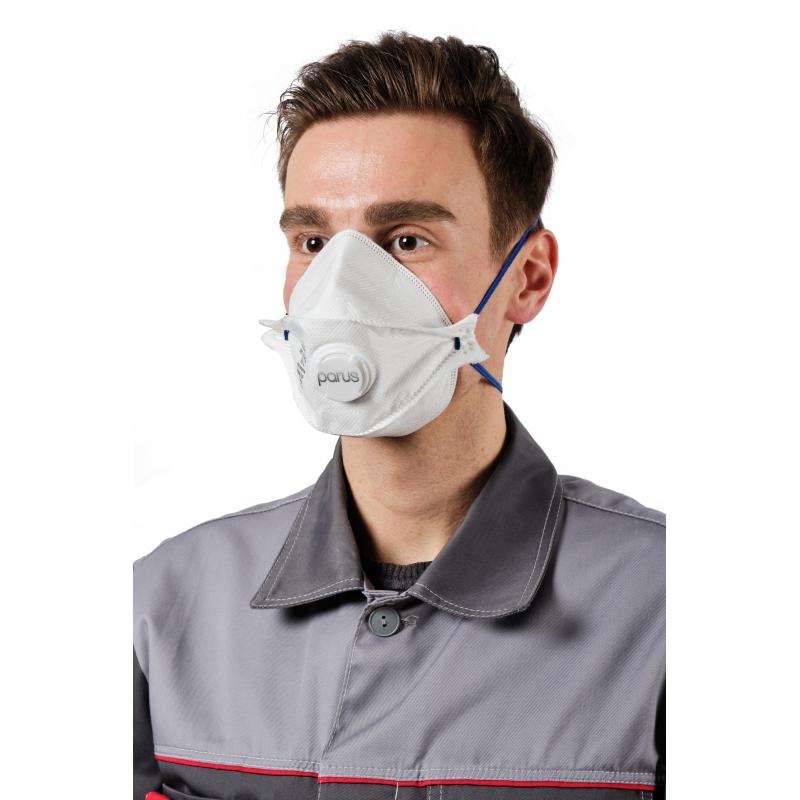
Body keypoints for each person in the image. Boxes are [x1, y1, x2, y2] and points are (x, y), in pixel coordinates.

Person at [134, 31, 665, 800]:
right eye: (314, 241)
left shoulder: (663, 608)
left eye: (406, 240)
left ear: (528, 279)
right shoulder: (165, 606)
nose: (342, 289)